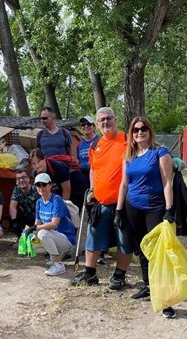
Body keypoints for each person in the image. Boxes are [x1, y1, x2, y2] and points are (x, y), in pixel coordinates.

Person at [116, 116, 176, 319]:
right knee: (142, 248)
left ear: (150, 131)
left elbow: (168, 182)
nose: (139, 133)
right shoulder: (129, 156)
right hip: (133, 207)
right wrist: (118, 210)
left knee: (159, 252)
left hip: (155, 207)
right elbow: (124, 184)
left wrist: (169, 209)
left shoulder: (160, 152)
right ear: (131, 134)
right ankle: (148, 287)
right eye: (135, 130)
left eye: (143, 129)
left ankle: (166, 299)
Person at [70, 107, 134, 290]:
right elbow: (93, 169)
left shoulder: (128, 140)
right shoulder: (94, 145)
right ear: (97, 125)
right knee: (93, 236)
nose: (106, 122)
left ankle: (119, 275)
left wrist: (169, 159)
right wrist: (92, 189)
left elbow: (150, 150)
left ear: (115, 119)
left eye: (108, 118)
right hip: (100, 201)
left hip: (124, 202)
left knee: (124, 239)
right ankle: (90, 273)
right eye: (102, 120)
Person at [24, 173, 76, 277]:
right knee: (31, 242)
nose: (41, 187)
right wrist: (28, 233)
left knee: (43, 233)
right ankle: (56, 256)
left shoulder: (56, 200)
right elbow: (37, 224)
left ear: (50, 185)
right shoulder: (39, 202)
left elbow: (54, 224)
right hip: (54, 237)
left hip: (67, 239)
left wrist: (35, 228)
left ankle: (58, 264)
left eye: (44, 184)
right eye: (38, 185)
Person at [8, 169, 40, 239]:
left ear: (29, 179)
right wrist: (14, 221)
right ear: (16, 182)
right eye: (18, 179)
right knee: (14, 217)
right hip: (25, 216)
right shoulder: (17, 189)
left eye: (24, 177)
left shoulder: (36, 190)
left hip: (37, 217)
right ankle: (21, 237)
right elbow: (12, 206)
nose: (21, 180)